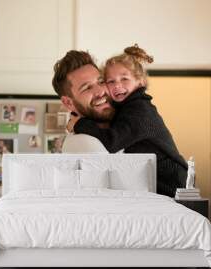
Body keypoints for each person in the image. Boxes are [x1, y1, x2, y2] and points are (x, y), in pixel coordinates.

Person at [52, 46, 187, 197]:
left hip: (173, 186)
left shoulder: (139, 111)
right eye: (87, 88)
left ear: (140, 82)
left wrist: (79, 123)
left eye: (101, 81)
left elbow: (112, 141)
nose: (101, 91)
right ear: (68, 103)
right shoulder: (82, 142)